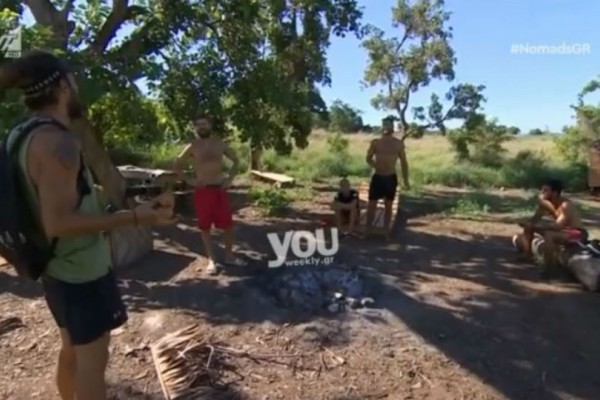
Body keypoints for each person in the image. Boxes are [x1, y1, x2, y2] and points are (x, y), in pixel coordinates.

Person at [0, 50, 176, 400]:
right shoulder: (58, 143)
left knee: (72, 351)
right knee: (93, 365)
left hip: (55, 267)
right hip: (81, 272)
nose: (77, 86)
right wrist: (137, 217)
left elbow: (54, 200)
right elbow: (59, 222)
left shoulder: (20, 134)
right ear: (63, 86)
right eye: (74, 79)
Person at [173, 116, 246, 274]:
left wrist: (230, 178)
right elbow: (177, 165)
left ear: (210, 125)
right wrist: (190, 181)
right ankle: (212, 260)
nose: (202, 127)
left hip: (219, 189)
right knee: (205, 226)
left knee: (227, 225)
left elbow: (236, 160)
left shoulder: (219, 143)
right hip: (203, 190)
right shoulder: (192, 146)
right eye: (198, 124)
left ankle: (229, 256)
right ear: (195, 128)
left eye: (204, 124)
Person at [514, 179, 587, 270]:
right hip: (563, 231)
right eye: (542, 190)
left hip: (577, 234)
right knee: (529, 226)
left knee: (549, 235)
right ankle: (527, 255)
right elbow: (535, 219)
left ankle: (549, 267)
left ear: (554, 193)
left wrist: (538, 226)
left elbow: (558, 225)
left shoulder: (565, 205)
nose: (542, 193)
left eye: (545, 190)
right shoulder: (545, 203)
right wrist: (527, 223)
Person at [364, 117, 409, 240]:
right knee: (371, 205)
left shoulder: (398, 144)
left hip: (390, 178)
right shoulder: (376, 142)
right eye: (384, 125)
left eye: (388, 125)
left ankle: (385, 233)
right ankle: (367, 230)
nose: (386, 127)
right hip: (378, 177)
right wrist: (375, 165)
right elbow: (368, 158)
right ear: (382, 127)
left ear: (392, 127)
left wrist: (406, 180)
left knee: (388, 206)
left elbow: (404, 163)